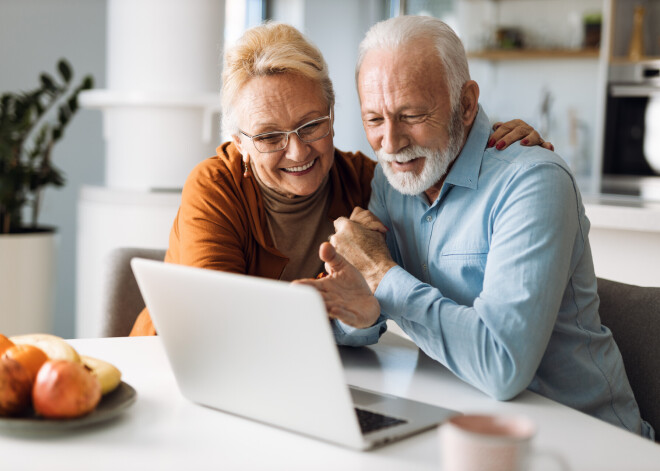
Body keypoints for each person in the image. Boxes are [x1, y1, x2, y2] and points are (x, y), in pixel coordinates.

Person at [296, 16, 654, 440]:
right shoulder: (392, 180)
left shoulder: (532, 182)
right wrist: (356, 312)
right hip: (463, 427)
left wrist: (380, 274)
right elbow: (373, 309)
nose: (390, 143)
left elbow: (501, 367)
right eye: (374, 120)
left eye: (411, 115)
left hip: (591, 442)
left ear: (466, 104)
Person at [129, 22, 548, 342]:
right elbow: (216, 327)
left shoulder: (368, 181)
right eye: (270, 137)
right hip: (173, 365)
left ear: (332, 114)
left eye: (311, 125)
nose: (297, 152)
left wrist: (491, 138)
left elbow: (440, 170)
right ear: (239, 142)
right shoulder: (215, 186)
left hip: (305, 378)